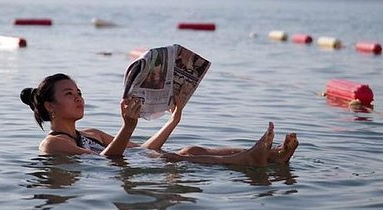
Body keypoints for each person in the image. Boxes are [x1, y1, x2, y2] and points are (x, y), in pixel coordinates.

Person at [20, 74, 298, 167]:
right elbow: (103, 162)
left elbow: (142, 150)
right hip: (120, 175)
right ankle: (250, 159)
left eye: (79, 92)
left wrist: (173, 121)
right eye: (69, 94)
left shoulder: (91, 133)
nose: (79, 97)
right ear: (49, 106)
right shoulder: (53, 144)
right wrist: (127, 127)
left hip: (138, 164)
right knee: (180, 158)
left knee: (190, 150)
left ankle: (273, 156)